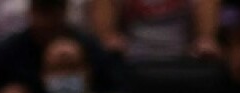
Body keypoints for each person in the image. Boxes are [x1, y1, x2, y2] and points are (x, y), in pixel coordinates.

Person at [87, 0, 221, 62]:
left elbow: (206, 41)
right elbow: (105, 36)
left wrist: (205, 39)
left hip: (184, 55)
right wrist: (108, 37)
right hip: (130, 57)